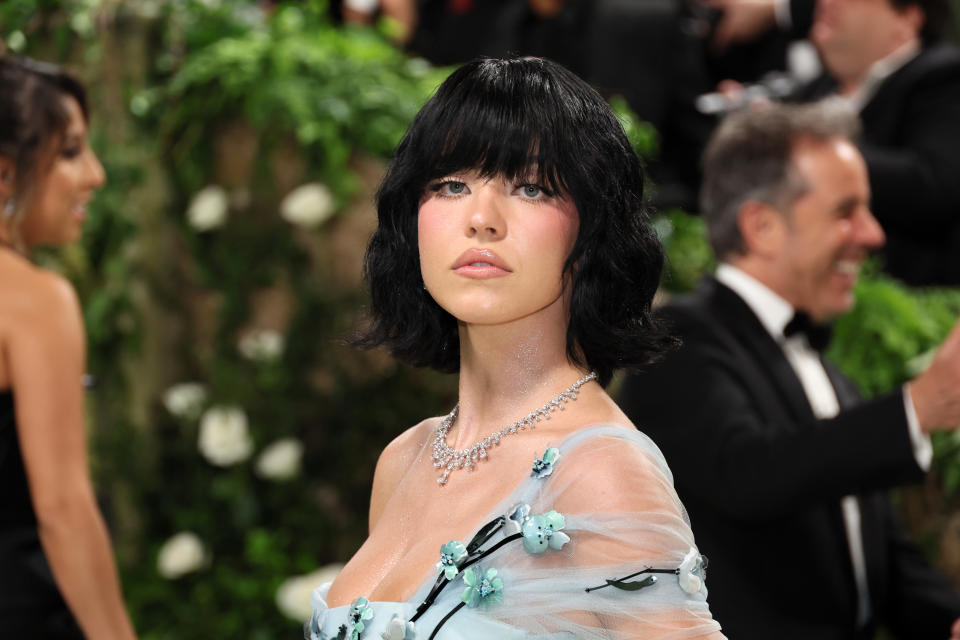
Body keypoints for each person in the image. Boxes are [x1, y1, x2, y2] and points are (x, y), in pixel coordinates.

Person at [306, 57, 725, 639]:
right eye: (451, 185)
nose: (481, 219)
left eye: (530, 187)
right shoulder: (405, 459)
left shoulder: (599, 470)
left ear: (593, 226)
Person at [617, 102, 960, 640]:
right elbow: (748, 475)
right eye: (846, 211)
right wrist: (917, 408)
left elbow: (883, 562)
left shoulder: (830, 372)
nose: (873, 234)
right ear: (763, 226)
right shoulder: (679, 337)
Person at [0, 55, 138, 640]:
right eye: (70, 151)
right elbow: (63, 511)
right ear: (6, 173)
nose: (95, 174)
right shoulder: (33, 300)